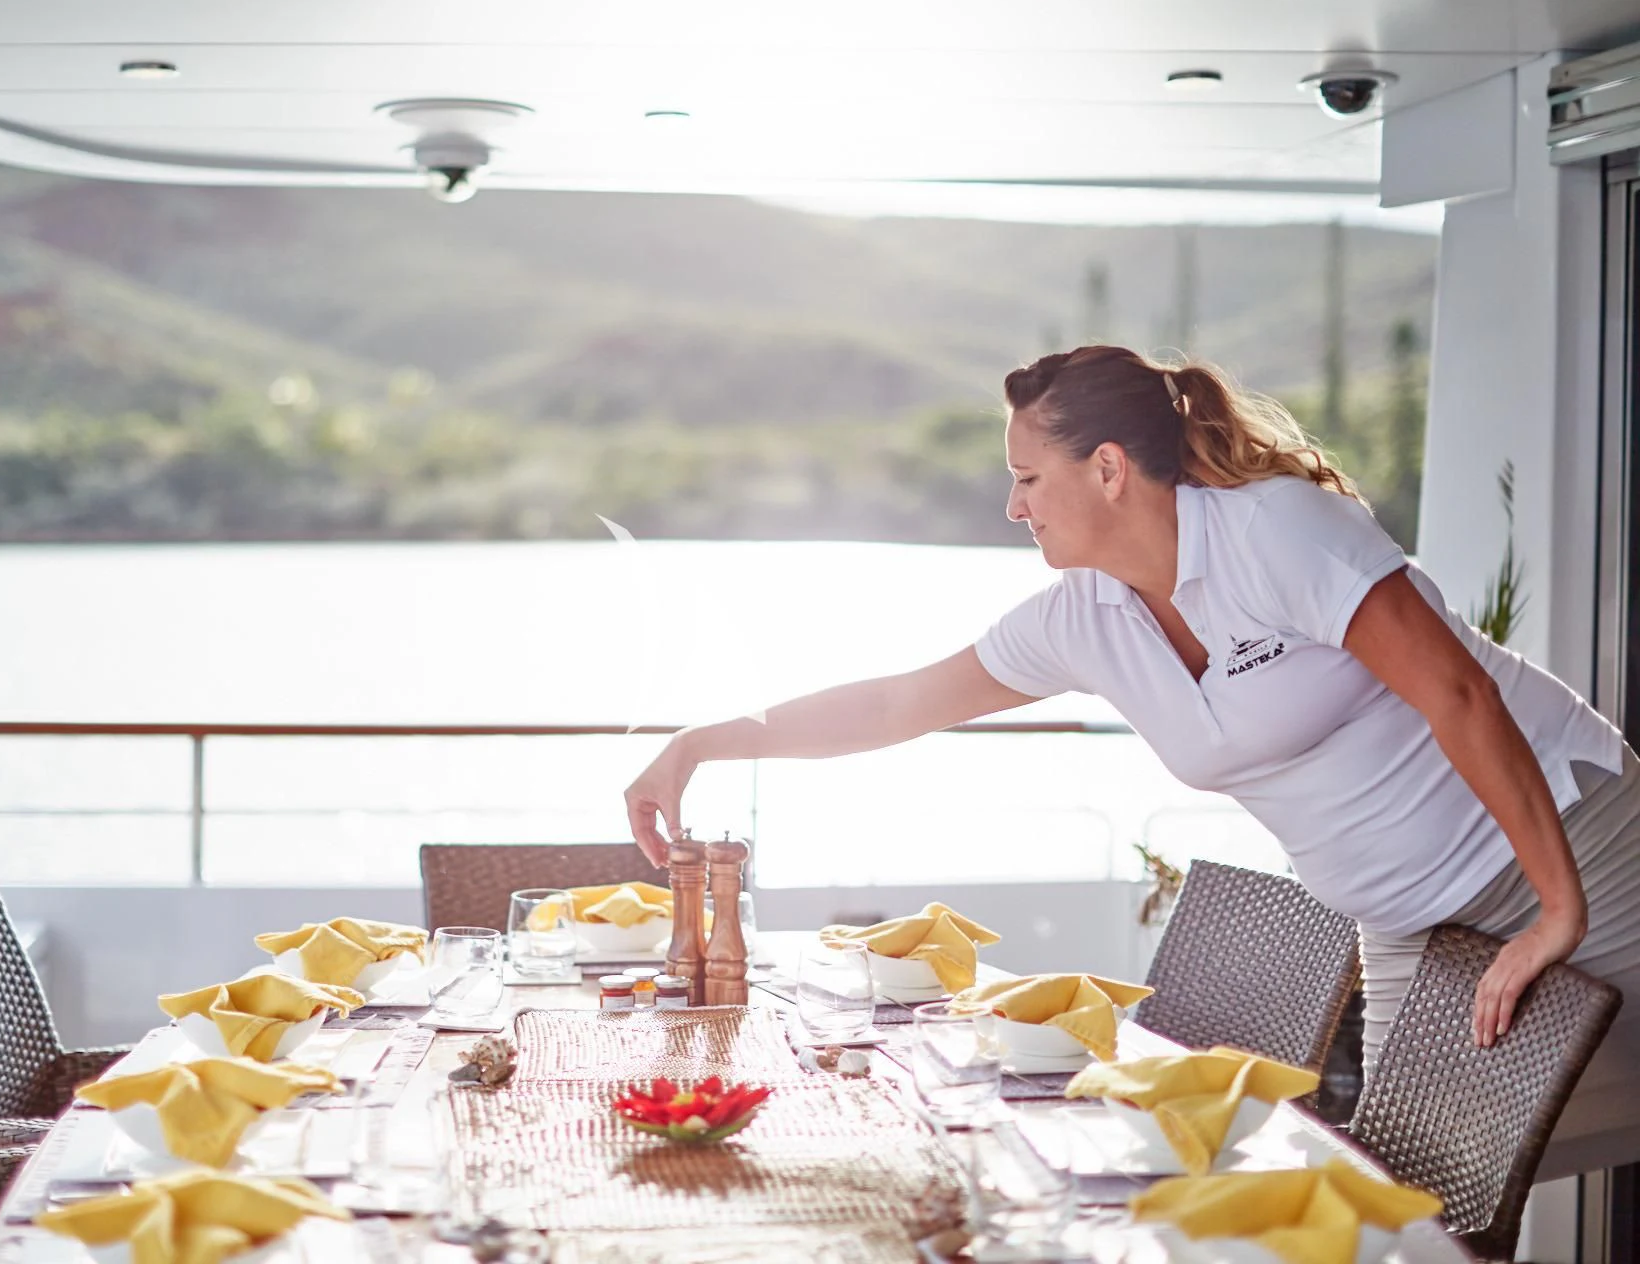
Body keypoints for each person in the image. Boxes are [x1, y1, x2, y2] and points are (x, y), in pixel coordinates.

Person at [623, 344, 1640, 1177]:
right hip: (1410, 916)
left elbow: (1459, 691)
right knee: (1410, 1187)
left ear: (1107, 467)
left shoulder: (1273, 529)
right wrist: (706, 739)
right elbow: (898, 701)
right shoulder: (1085, 619)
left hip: (1571, 838)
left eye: (1028, 478)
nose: (1014, 508)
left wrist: (1558, 906)